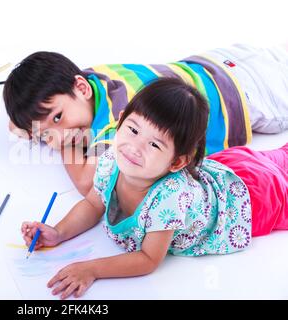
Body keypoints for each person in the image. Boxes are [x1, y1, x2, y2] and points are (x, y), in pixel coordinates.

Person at [20, 78, 288, 300]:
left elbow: (148, 258)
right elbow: (92, 204)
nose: (135, 148)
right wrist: (58, 232)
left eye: (155, 145)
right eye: (133, 130)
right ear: (121, 120)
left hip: (254, 200)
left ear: (177, 162)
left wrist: (91, 269)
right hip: (232, 168)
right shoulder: (111, 160)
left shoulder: (168, 198)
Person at [4, 43, 288, 196]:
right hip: (220, 61)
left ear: (80, 87)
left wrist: (63, 144)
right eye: (44, 134)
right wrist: (36, 123)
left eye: (58, 117)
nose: (60, 132)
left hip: (251, 98)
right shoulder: (94, 78)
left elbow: (88, 184)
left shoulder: (121, 123)